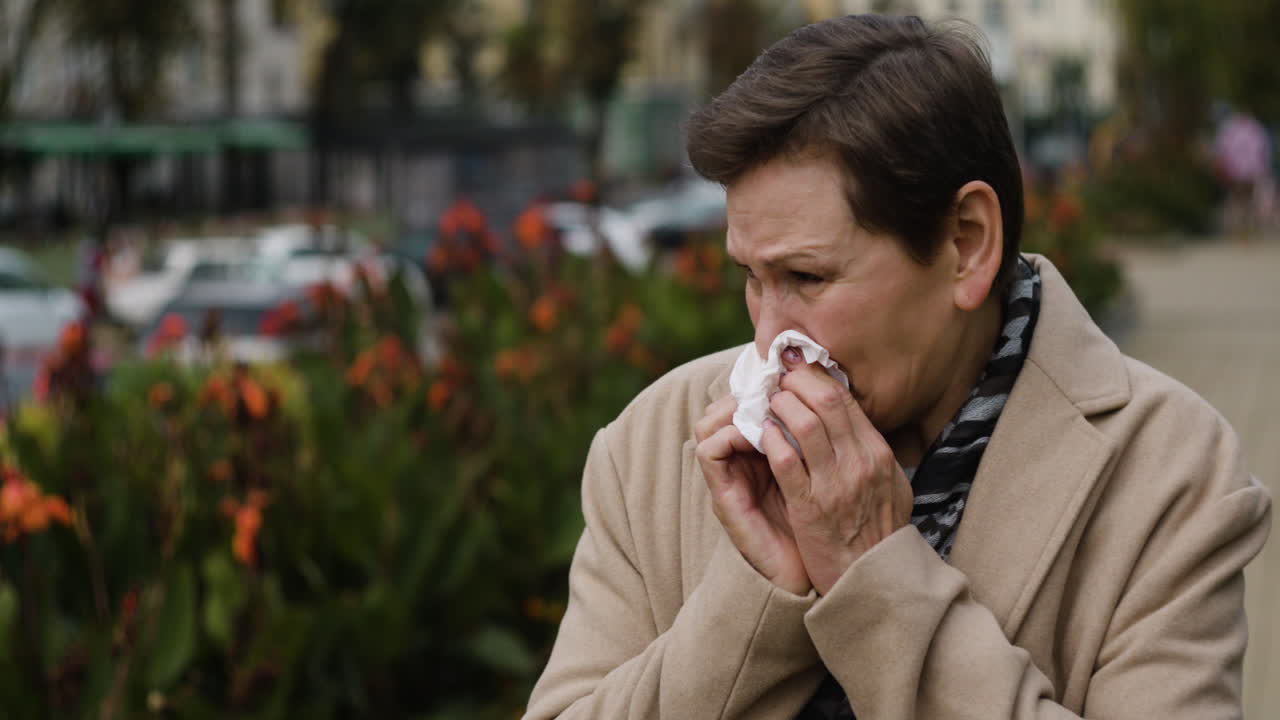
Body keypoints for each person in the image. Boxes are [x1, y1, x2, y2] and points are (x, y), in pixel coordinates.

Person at [523, 15, 1271, 719]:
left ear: (967, 244)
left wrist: (874, 576)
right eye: (752, 277)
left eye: (807, 279)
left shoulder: (1170, 470)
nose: (768, 337)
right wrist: (753, 603)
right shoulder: (655, 445)